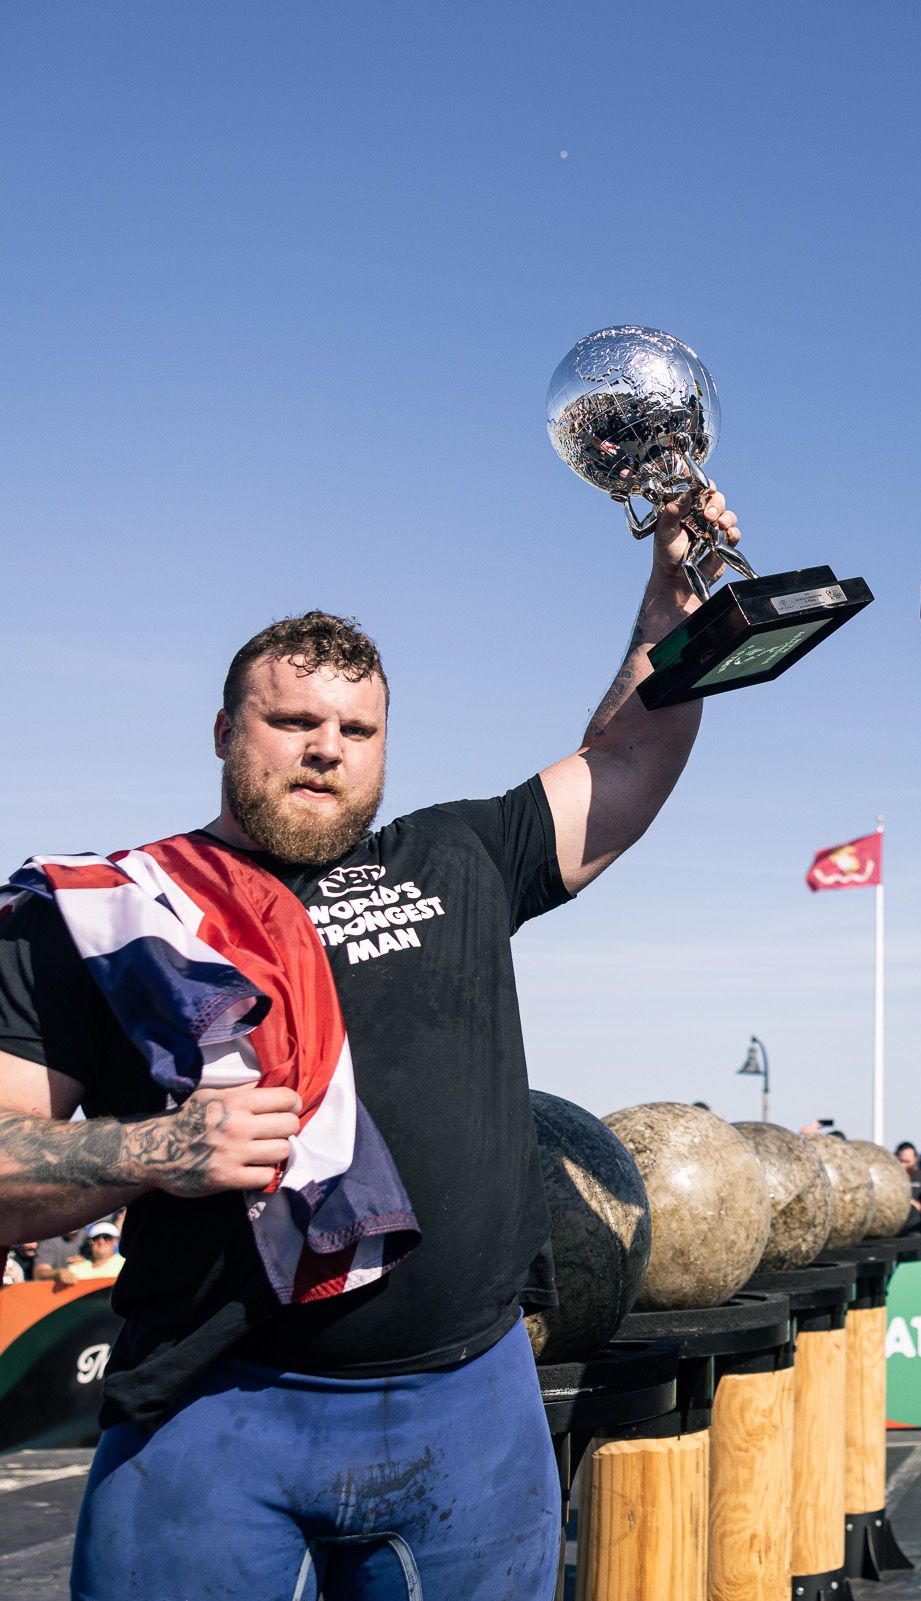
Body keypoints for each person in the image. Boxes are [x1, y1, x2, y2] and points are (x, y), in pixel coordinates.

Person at [0, 488, 744, 1600]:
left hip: (469, 1416)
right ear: (222, 731)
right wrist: (154, 1151)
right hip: (218, 1415)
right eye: (292, 723)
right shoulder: (113, 915)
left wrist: (671, 598)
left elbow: (624, 762)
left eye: (355, 730)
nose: (325, 751)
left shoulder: (454, 854)